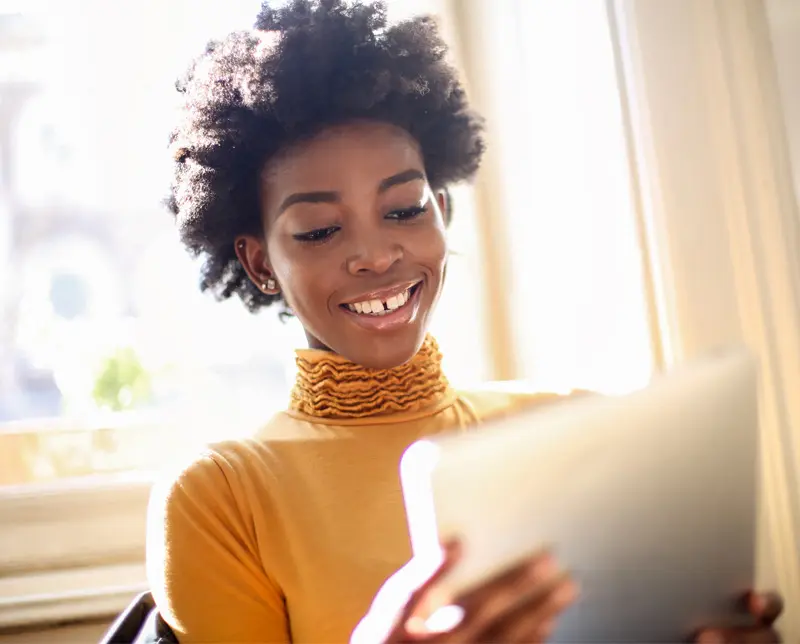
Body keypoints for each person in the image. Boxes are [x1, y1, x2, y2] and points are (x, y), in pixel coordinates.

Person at [146, 1, 784, 642]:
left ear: (442, 212)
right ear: (259, 262)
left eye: (403, 210)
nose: (375, 254)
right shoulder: (220, 499)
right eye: (319, 229)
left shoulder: (580, 426)